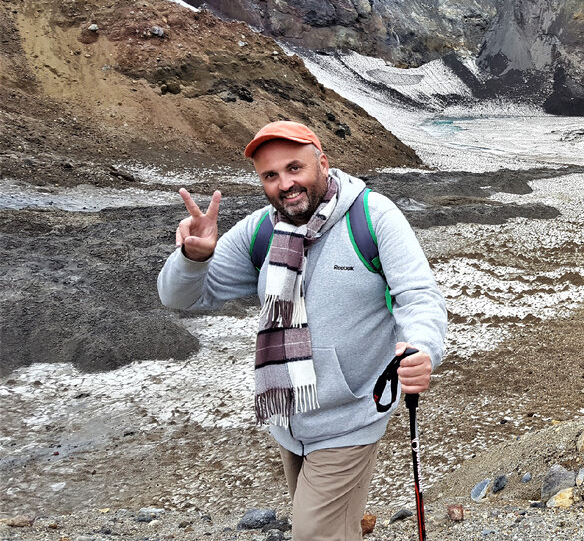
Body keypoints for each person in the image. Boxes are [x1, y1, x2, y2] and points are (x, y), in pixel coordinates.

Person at [158, 120, 447, 540]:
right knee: (328, 530)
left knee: (313, 534)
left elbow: (419, 296)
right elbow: (178, 298)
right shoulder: (261, 230)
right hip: (290, 416)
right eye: (271, 175)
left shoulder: (372, 216)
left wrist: (422, 350)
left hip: (349, 415)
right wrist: (192, 257)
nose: (285, 184)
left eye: (295, 168)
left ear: (322, 163)